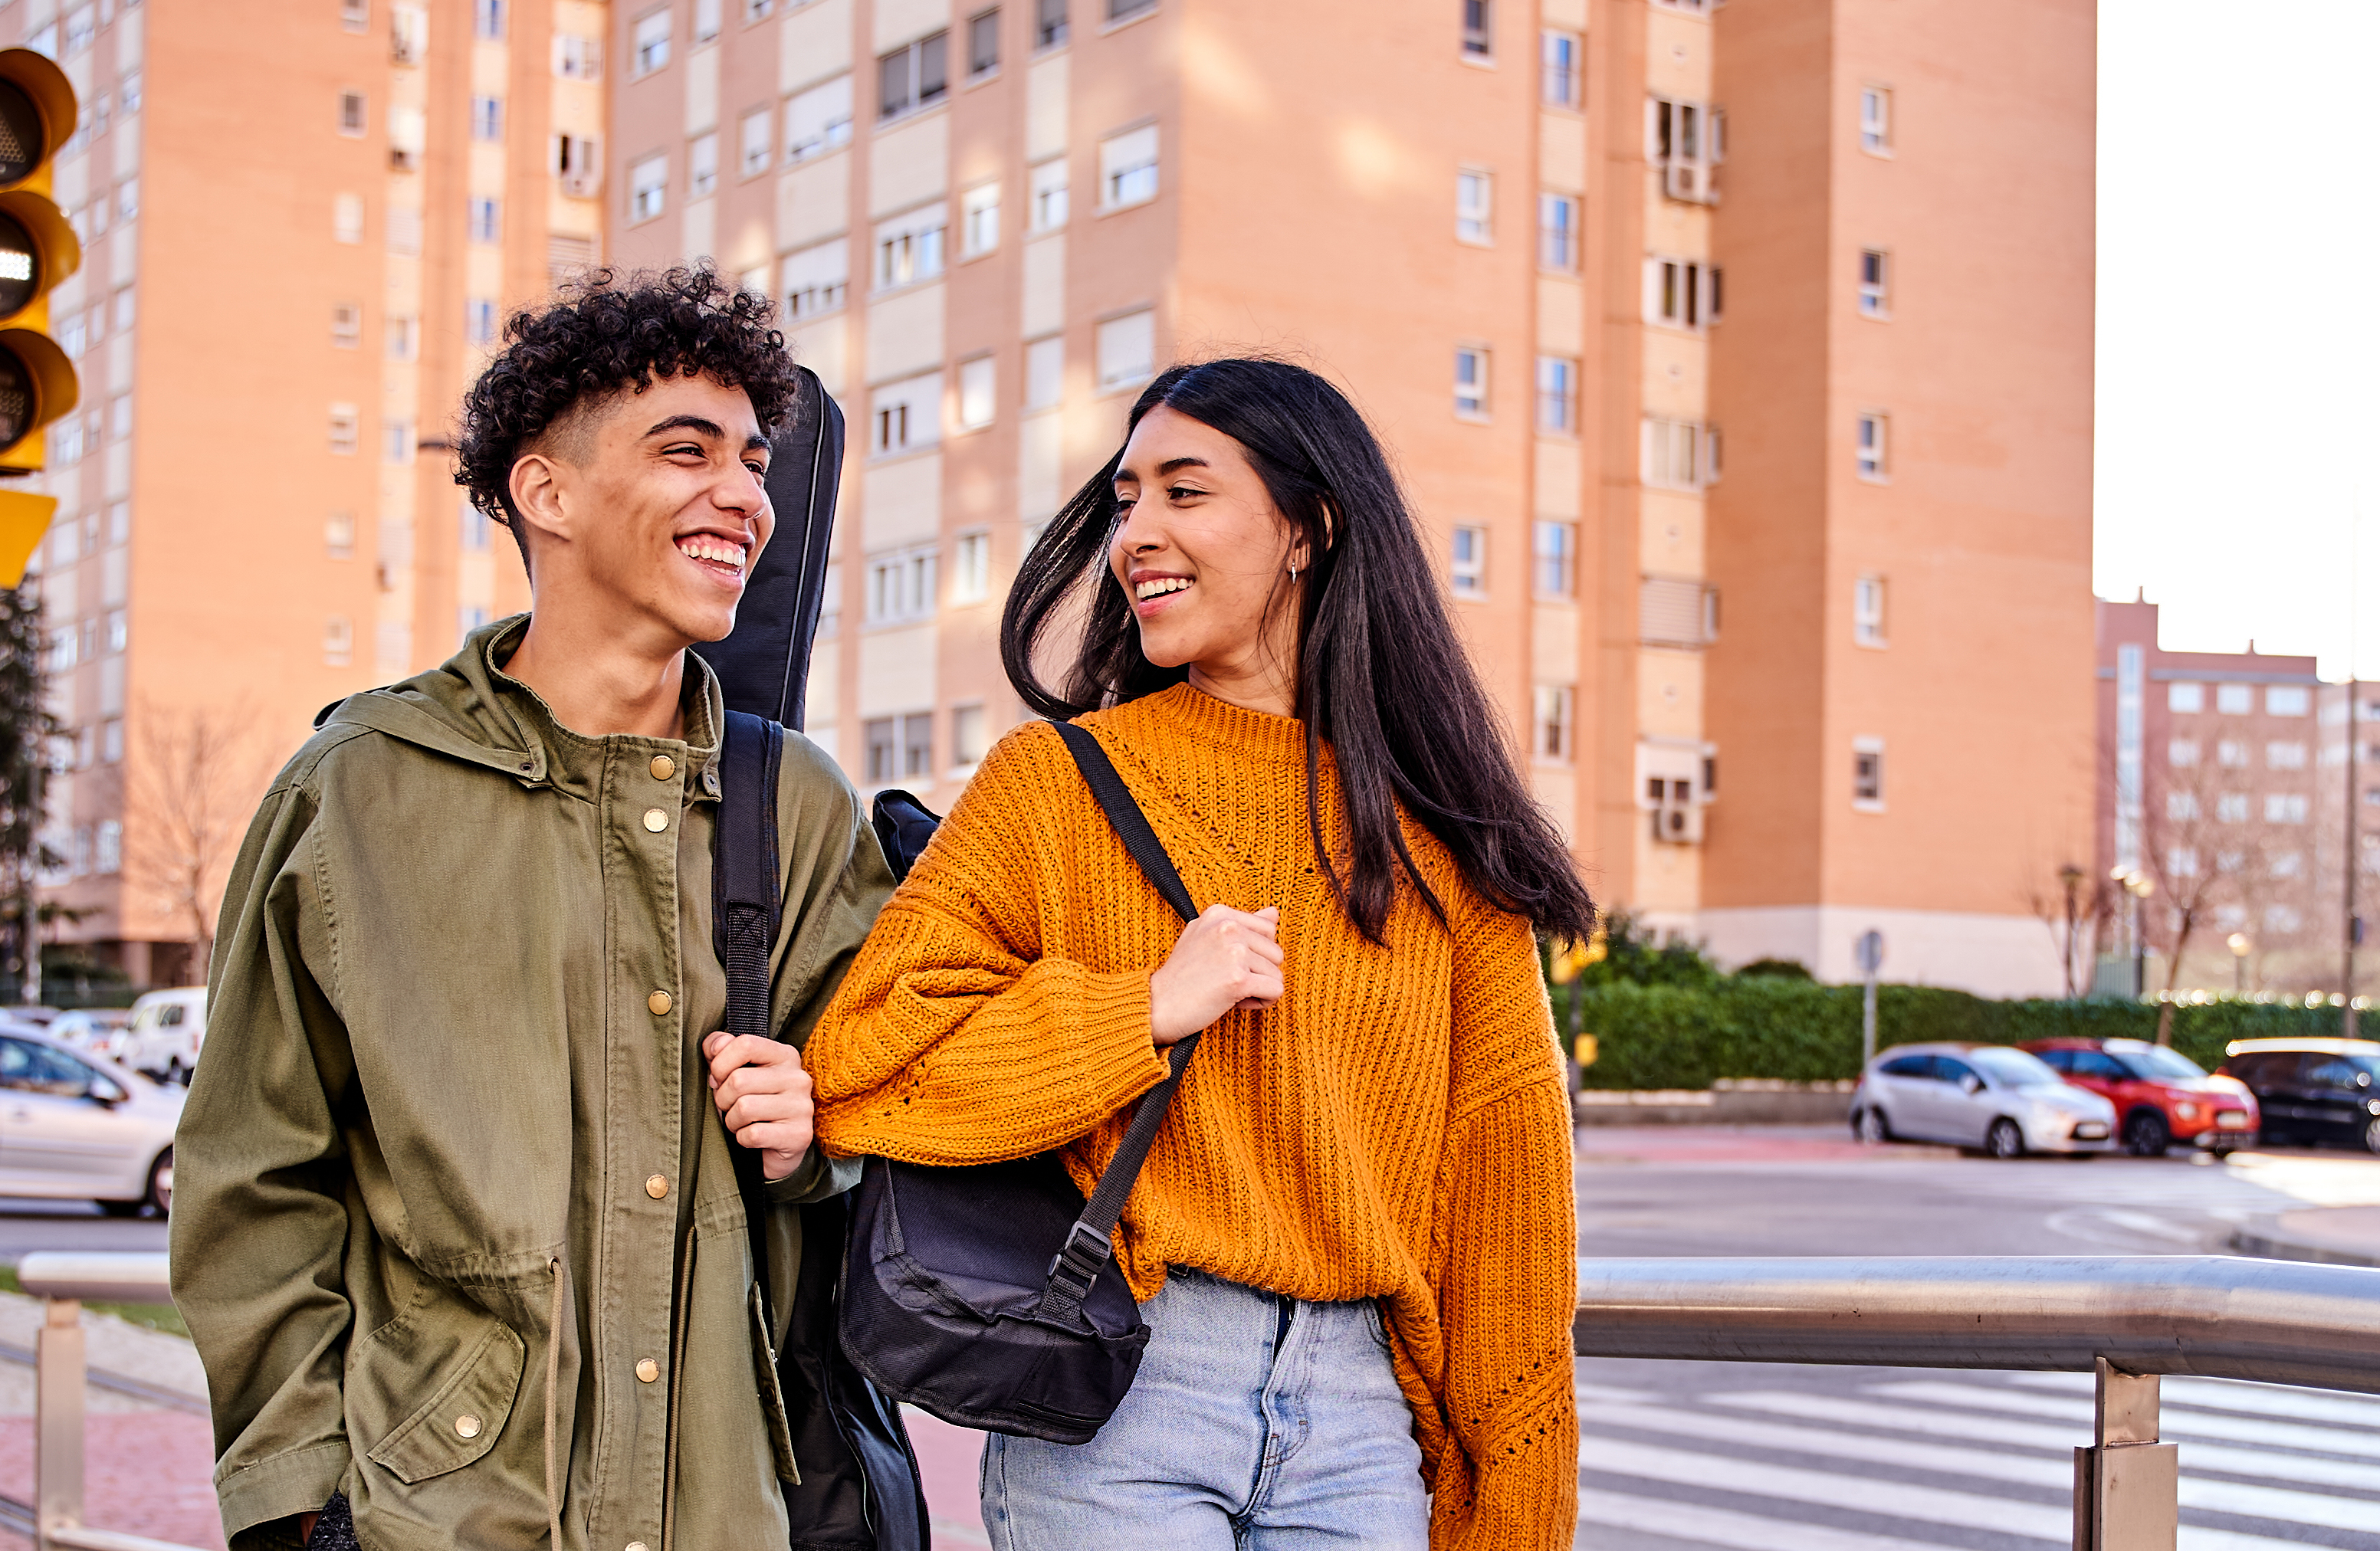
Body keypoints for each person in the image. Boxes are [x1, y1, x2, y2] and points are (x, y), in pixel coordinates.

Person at [807, 357, 1596, 1550]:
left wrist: (1516, 1519)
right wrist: (1142, 1010)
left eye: (1185, 492)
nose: (1136, 534)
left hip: (1364, 1422)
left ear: (1308, 528)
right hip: (1129, 1391)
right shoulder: (1055, 785)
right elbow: (862, 1064)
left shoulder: (1444, 844)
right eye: (1126, 500)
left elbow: (1508, 1221)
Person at [173, 269, 895, 1551]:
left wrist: (817, 1135)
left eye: (754, 461)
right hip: (435, 1519)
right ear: (546, 493)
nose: (746, 497)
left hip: (728, 1511)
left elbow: (899, 1116)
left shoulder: (800, 805)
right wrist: (299, 1511)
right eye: (688, 452)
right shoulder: (362, 792)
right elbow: (253, 1175)